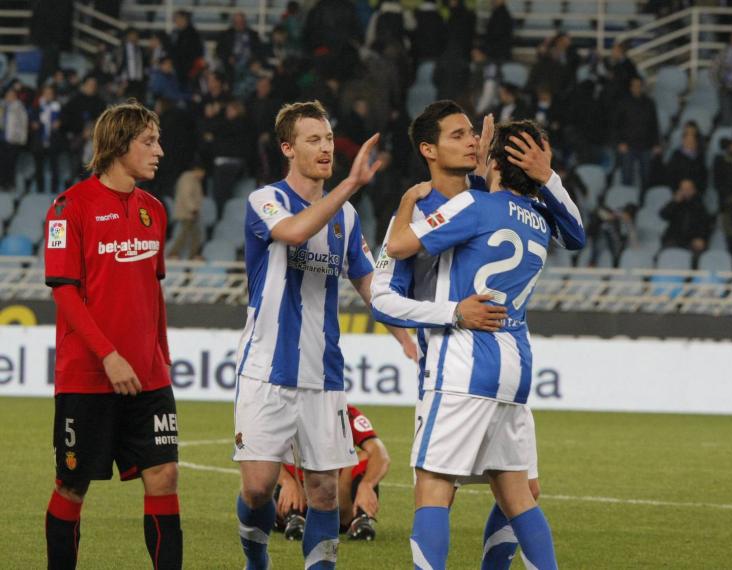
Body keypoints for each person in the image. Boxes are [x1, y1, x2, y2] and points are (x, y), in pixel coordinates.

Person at [384, 119, 585, 570]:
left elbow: (398, 245)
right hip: (515, 364)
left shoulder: (473, 205)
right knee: (517, 492)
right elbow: (578, 234)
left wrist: (406, 203)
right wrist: (547, 176)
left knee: (432, 485)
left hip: (464, 362)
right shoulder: (539, 221)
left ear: (493, 161)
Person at [232, 100, 415, 570]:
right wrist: (351, 184)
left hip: (324, 375)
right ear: (288, 148)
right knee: (256, 489)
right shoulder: (265, 200)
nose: (326, 148)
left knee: (325, 493)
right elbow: (293, 232)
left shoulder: (347, 219)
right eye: (314, 139)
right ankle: (257, 561)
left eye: (329, 139)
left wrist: (407, 335)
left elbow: (372, 287)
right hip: (266, 369)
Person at [43, 101, 181, 569]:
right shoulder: (68, 207)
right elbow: (64, 293)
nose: (159, 150)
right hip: (89, 376)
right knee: (71, 485)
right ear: (119, 144)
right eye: (148, 141)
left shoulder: (154, 211)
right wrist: (108, 355)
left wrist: (160, 355)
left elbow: (152, 291)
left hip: (148, 377)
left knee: (164, 475)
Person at [274, 404, 391, 541]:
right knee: (284, 460)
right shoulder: (285, 411)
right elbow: (264, 453)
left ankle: (361, 518)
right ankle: (293, 517)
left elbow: (380, 453)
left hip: (338, 497)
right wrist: (286, 481)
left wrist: (367, 484)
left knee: (363, 458)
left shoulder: (347, 412)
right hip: (300, 486)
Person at [167, 161, 206, 259]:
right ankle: (174, 253)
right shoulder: (188, 178)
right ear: (197, 170)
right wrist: (193, 209)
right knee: (186, 234)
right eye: (202, 172)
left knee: (193, 234)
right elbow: (186, 195)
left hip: (190, 212)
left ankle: (190, 255)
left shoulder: (193, 180)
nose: (203, 175)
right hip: (187, 212)